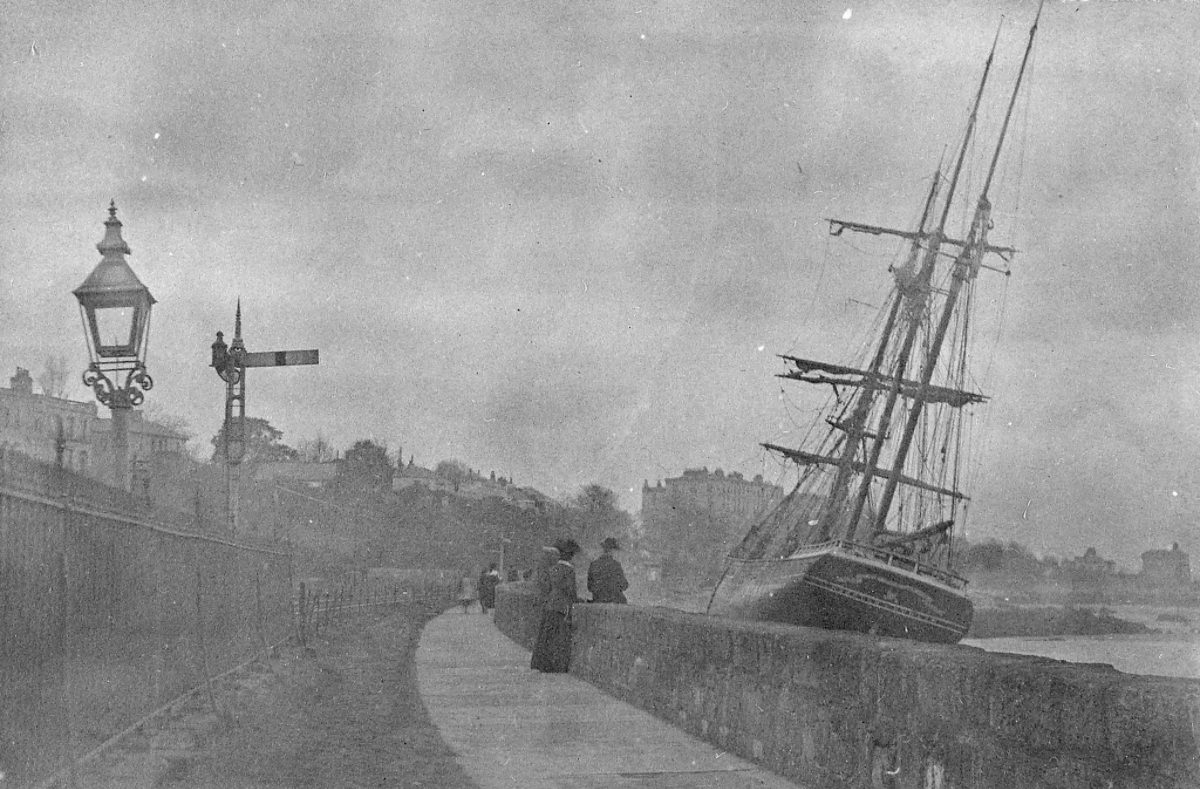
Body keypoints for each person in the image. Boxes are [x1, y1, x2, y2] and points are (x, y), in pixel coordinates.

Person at [530, 538, 580, 673]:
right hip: (562, 606)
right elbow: (571, 590)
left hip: (550, 604)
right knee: (559, 637)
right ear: (570, 556)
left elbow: (547, 587)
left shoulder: (554, 568)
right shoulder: (569, 570)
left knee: (547, 636)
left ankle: (543, 664)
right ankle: (557, 665)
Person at [587, 536, 629, 604]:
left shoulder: (593, 564)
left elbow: (590, 587)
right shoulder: (616, 565)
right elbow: (624, 585)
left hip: (598, 600)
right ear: (612, 550)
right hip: (615, 601)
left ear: (603, 549)